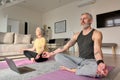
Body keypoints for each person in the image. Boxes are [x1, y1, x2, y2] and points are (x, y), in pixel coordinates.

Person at [42, 13, 108, 77]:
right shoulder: (76, 35)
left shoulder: (96, 33)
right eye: (81, 19)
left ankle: (73, 69)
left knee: (98, 71)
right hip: (79, 60)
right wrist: (50, 53)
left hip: (91, 61)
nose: (82, 21)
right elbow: (65, 47)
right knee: (58, 56)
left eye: (84, 18)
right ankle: (81, 70)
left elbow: (97, 50)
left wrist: (100, 62)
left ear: (91, 21)